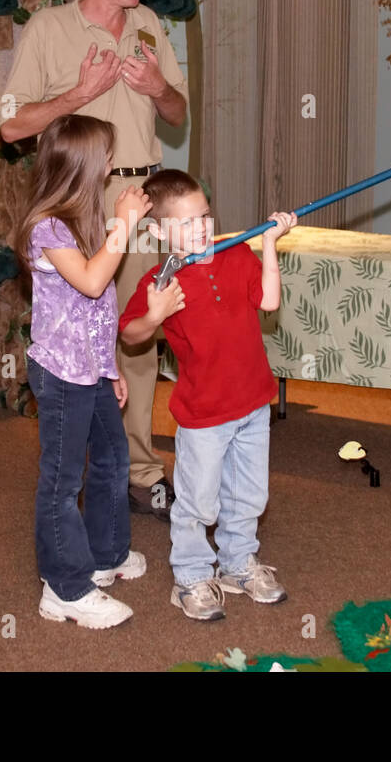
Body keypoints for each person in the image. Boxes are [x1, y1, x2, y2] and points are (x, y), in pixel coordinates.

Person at [0, 0, 189, 521]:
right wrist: (76, 96)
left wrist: (159, 87)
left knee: (137, 334)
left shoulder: (150, 26)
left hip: (143, 200)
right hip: (78, 202)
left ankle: (137, 470)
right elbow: (12, 127)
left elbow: (178, 113)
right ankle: (76, 472)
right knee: (77, 339)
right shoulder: (48, 29)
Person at [119, 169, 297, 620]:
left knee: (249, 496)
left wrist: (271, 246)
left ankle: (238, 564)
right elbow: (131, 334)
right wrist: (156, 314)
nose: (201, 228)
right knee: (198, 501)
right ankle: (192, 576)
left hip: (254, 403)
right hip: (203, 415)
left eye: (205, 216)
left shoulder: (236, 255)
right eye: (187, 222)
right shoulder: (160, 283)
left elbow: (270, 302)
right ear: (158, 231)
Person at [11, 114, 152, 629]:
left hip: (90, 368)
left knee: (114, 460)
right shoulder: (46, 226)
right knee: (62, 480)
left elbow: (98, 309)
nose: (113, 165)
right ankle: (65, 587)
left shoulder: (83, 218)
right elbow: (93, 282)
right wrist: (124, 226)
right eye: (107, 157)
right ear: (86, 165)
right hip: (61, 374)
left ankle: (106, 555)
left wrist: (109, 365)